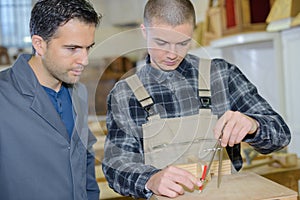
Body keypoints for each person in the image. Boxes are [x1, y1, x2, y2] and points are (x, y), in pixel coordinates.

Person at [102, 0, 291, 199]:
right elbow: (116, 166)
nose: (172, 54)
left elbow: (281, 135)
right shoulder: (124, 93)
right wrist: (151, 179)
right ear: (145, 31)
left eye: (183, 42)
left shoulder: (221, 75)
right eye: (162, 43)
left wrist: (253, 125)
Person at [0, 0, 101, 199]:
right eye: (72, 48)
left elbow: (84, 162)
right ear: (39, 44)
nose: (85, 60)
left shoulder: (78, 92)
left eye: (88, 48)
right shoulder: (4, 97)